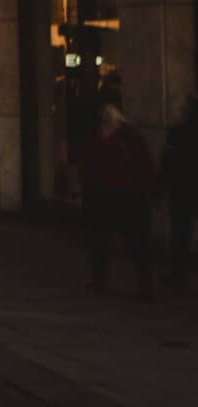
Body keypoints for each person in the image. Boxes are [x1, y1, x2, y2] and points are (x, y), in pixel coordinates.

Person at [79, 100, 158, 298]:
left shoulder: (122, 138)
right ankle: (138, 284)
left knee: (128, 242)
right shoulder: (123, 138)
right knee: (121, 242)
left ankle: (139, 285)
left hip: (120, 197)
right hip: (117, 197)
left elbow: (91, 170)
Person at [160, 96, 197, 292]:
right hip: (185, 187)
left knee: (180, 232)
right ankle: (178, 272)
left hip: (182, 188)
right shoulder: (179, 133)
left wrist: (162, 185)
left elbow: (169, 162)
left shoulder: (179, 133)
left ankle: (178, 273)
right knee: (181, 231)